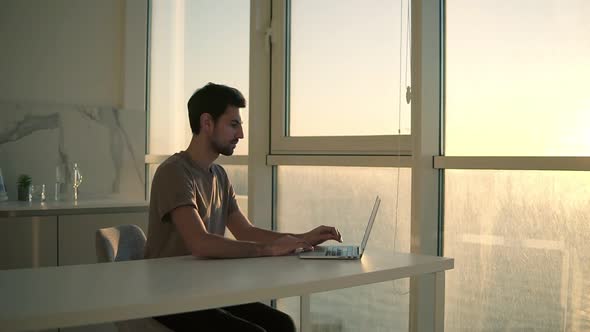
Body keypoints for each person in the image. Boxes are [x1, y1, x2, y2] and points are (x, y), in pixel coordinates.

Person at [144, 82, 342, 332]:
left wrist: (303, 238)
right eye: (233, 124)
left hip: (205, 291)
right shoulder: (174, 172)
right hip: (171, 297)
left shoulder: (219, 175)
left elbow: (245, 231)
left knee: (282, 324)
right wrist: (270, 249)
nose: (241, 135)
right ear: (207, 123)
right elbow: (200, 243)